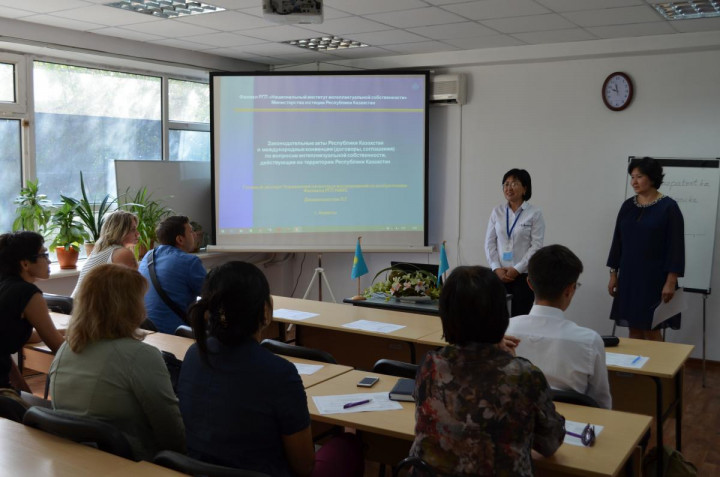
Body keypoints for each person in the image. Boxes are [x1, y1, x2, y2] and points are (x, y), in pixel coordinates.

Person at [177, 261, 364, 477]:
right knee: (348, 444)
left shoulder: (194, 354)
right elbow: (304, 467)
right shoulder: (279, 373)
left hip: (199, 471)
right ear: (265, 310)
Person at [410, 266, 565, 476]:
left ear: (445, 314)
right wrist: (505, 357)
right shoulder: (524, 376)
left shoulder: (431, 365)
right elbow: (551, 442)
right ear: (501, 313)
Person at [50, 264, 186, 461]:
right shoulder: (140, 355)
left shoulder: (67, 348)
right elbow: (171, 431)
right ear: (129, 306)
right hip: (132, 462)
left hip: (75, 459)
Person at [507, 245, 611, 409]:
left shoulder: (504, 330)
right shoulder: (590, 341)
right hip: (571, 423)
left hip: (515, 420)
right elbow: (602, 404)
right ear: (569, 290)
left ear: (530, 284)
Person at [607, 157, 685, 341]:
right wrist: (613, 273)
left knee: (652, 330)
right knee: (633, 329)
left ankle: (658, 362)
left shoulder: (669, 207)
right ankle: (636, 362)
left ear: (652, 178)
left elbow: (676, 247)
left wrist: (671, 281)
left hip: (655, 279)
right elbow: (617, 241)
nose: (634, 182)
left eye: (639, 177)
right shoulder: (628, 206)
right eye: (632, 177)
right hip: (629, 278)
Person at [0, 232, 64, 391]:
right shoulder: (28, 294)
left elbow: (9, 340)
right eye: (44, 255)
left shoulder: (5, 285)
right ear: (25, 264)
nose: (49, 260)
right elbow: (58, 347)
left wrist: (70, 332)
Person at [485, 168, 545, 316]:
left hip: (523, 277)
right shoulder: (497, 211)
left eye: (514, 184)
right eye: (506, 184)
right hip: (499, 276)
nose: (509, 188)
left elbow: (536, 246)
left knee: (520, 319)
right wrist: (496, 268)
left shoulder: (534, 213)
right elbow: (489, 243)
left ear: (525, 188)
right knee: (497, 319)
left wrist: (517, 269)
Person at [139, 216, 206, 334]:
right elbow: (212, 295)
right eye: (191, 231)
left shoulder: (148, 257)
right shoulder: (189, 262)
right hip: (177, 333)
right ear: (180, 239)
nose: (195, 235)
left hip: (148, 332)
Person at [71, 210, 139, 297]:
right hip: (87, 305)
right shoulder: (121, 253)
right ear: (119, 231)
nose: (138, 234)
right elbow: (133, 292)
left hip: (77, 304)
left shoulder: (100, 249)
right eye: (133, 230)